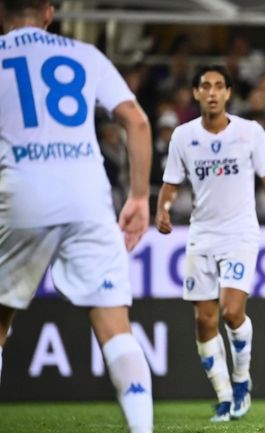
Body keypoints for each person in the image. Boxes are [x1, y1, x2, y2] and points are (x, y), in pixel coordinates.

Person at [0, 1, 153, 432]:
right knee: (114, 327)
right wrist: (140, 197)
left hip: (23, 192)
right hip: (88, 196)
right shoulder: (84, 54)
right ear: (49, 12)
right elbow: (137, 122)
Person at [155, 65, 265, 422]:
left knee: (231, 311)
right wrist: (163, 209)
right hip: (201, 235)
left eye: (219, 86)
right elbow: (171, 182)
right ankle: (223, 395)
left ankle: (241, 379)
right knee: (204, 319)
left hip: (240, 234)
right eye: (205, 86)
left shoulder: (250, 133)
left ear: (229, 93)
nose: (212, 92)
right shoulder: (183, 137)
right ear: (196, 93)